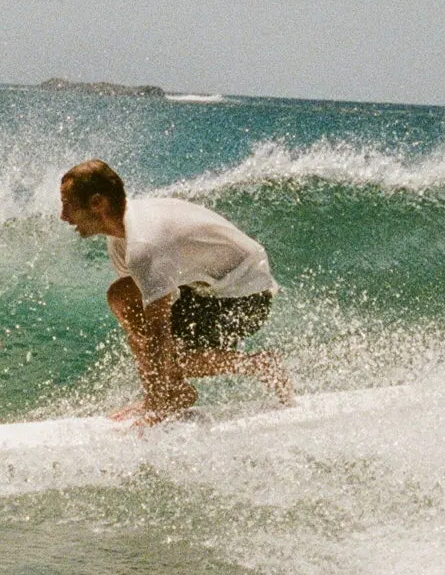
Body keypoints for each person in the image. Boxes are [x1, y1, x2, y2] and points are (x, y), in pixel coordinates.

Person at [59, 158, 293, 422]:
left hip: (248, 293)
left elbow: (158, 333)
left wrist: (156, 411)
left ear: (97, 203)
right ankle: (174, 392)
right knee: (121, 296)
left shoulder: (144, 244)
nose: (63, 216)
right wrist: (155, 393)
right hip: (204, 287)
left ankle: (258, 364)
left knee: (168, 354)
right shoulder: (120, 239)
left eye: (68, 205)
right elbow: (143, 322)